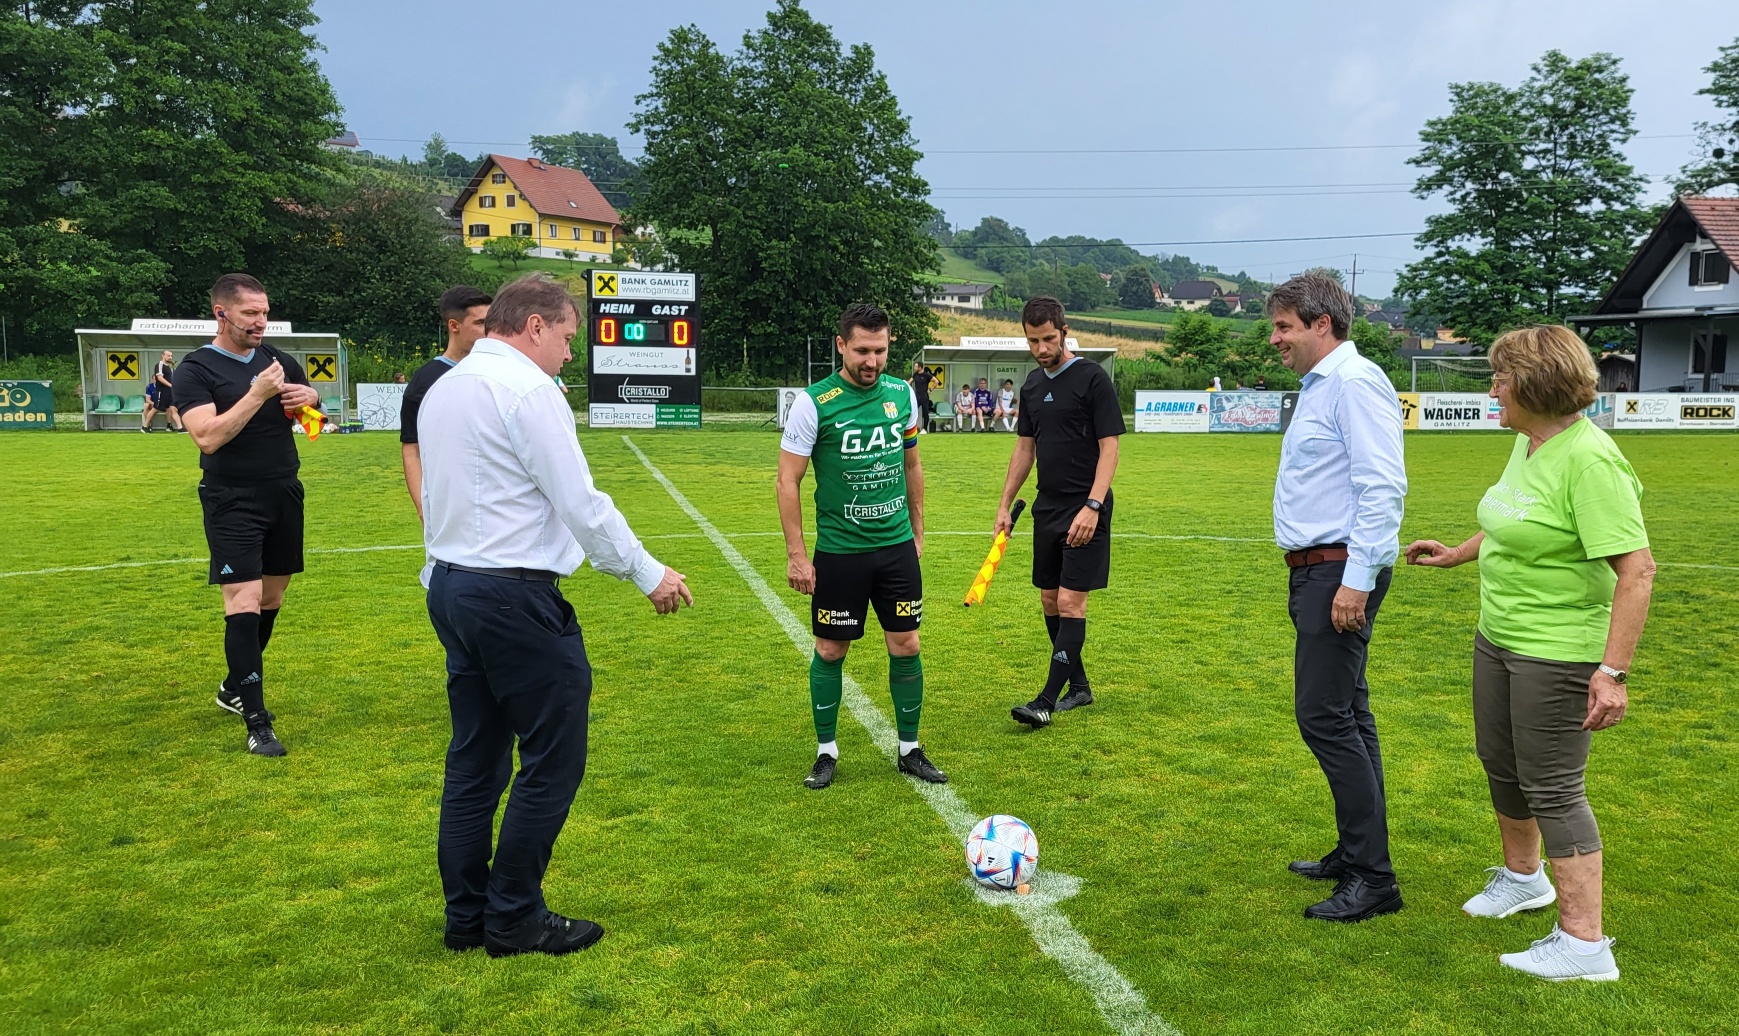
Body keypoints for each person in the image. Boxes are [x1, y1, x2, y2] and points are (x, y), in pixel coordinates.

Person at [419, 273, 693, 957]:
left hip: (452, 586)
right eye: (568, 338)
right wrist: (647, 572)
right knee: (551, 759)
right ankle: (513, 916)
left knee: (475, 760)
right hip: (510, 596)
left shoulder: (445, 385)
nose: (571, 354)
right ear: (535, 326)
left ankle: (467, 916)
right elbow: (580, 501)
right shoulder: (526, 390)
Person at [1405, 325, 1654, 982]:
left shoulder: (1590, 462)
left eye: (1501, 379)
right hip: (1500, 636)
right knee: (1501, 763)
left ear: (1536, 386)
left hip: (1558, 651)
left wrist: (1611, 673)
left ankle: (1583, 945)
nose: (1492, 391)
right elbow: (1511, 521)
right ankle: (1523, 879)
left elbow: (1637, 571)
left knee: (1553, 787)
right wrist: (1457, 554)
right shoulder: (1528, 442)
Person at [1268, 274, 1408, 923]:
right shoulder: (1321, 386)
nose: (1275, 340)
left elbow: (1382, 486)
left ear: (1321, 324)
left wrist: (1355, 579)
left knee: (1323, 717)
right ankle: (1358, 853)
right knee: (1348, 713)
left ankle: (1373, 878)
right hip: (1321, 571)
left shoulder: (1354, 382)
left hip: (1337, 572)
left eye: (1284, 327)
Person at [777, 303, 946, 791]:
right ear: (841, 346)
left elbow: (912, 465)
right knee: (831, 649)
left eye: (880, 350)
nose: (872, 361)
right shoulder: (814, 403)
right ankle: (826, 752)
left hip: (895, 548)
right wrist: (797, 556)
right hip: (840, 551)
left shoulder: (901, 395)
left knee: (907, 643)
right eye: (862, 351)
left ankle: (910, 749)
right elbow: (787, 480)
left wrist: (917, 530)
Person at [172, 273, 321, 758]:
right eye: (250, 313)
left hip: (284, 491)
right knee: (243, 599)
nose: (261, 322)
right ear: (221, 313)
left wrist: (311, 401)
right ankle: (257, 723)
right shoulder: (195, 369)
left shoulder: (277, 359)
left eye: (265, 312)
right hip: (231, 498)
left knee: (271, 597)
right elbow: (207, 437)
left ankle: (233, 686)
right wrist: (256, 394)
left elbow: (311, 417)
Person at [993, 296, 1123, 729]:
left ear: (1064, 332)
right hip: (1046, 507)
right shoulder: (1032, 386)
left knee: (1070, 601)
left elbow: (1110, 448)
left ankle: (1046, 701)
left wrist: (1093, 505)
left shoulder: (1092, 378)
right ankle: (1079, 687)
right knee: (1050, 600)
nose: (1042, 348)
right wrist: (1004, 505)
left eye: (1049, 339)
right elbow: (1024, 449)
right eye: (1033, 341)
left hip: (1085, 507)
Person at [402, 286, 492, 523]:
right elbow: (412, 448)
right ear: (454, 326)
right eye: (480, 323)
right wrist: (422, 507)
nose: (489, 330)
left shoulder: (500, 374)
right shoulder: (425, 381)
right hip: (450, 510)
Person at [141, 350, 183, 433]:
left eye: (171, 356)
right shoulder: (160, 365)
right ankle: (145, 427)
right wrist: (170, 385)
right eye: (168, 355)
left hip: (169, 392)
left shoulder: (169, 366)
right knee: (156, 408)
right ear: (163, 356)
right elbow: (160, 378)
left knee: (173, 408)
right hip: (161, 391)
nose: (170, 357)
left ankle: (180, 428)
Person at [909, 360, 936, 433]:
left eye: (916, 366)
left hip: (924, 396)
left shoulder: (926, 375)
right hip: (917, 397)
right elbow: (909, 382)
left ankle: (925, 429)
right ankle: (912, 427)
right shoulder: (915, 375)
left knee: (925, 413)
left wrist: (930, 389)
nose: (914, 368)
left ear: (920, 367)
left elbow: (936, 381)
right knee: (912, 412)